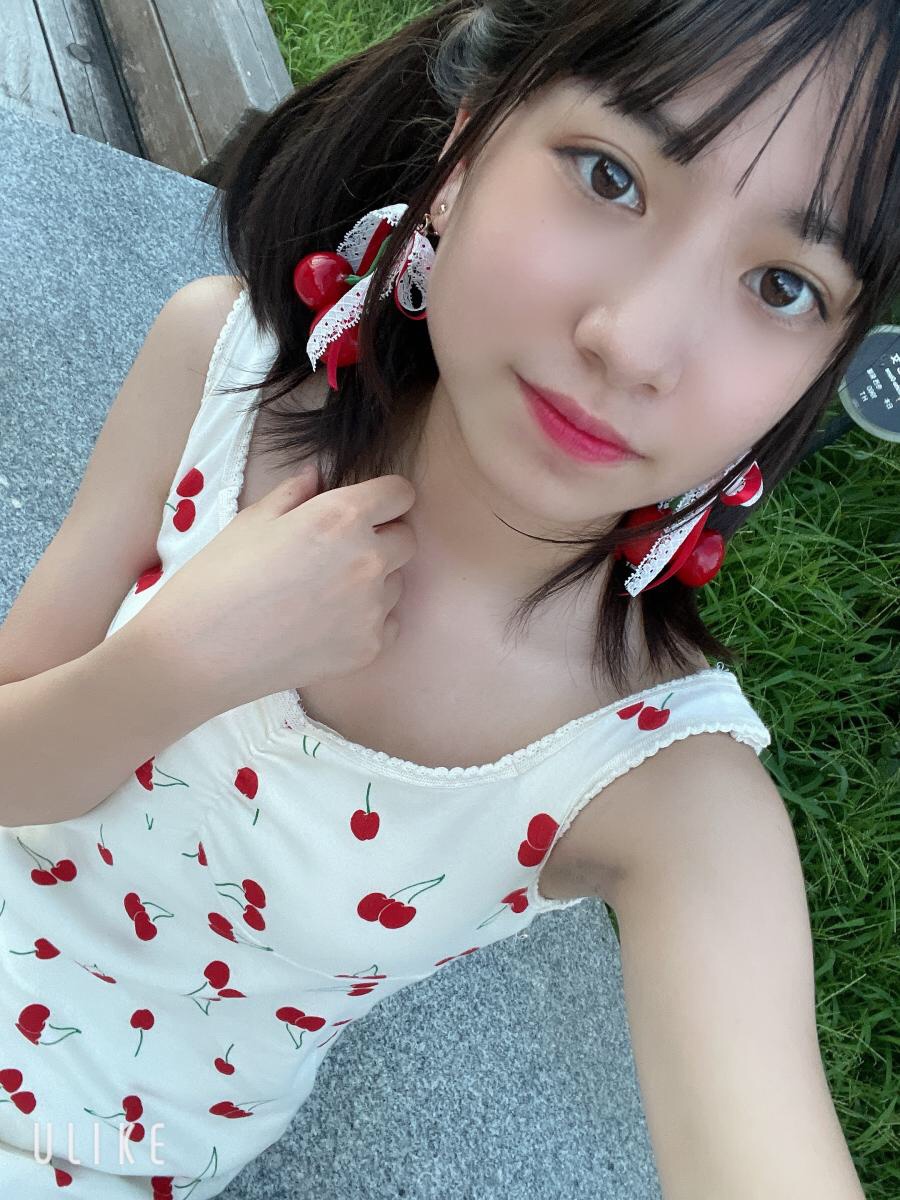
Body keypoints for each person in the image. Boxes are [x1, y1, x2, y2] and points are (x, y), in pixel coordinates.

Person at [0, 1, 895, 1195]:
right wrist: (178, 664)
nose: (634, 343)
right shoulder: (222, 370)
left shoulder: (659, 784)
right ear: (470, 135)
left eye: (783, 285)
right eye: (610, 175)